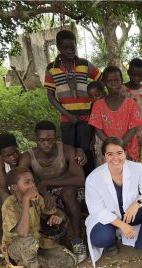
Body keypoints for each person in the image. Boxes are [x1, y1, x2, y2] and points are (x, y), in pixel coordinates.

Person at [85, 137, 142, 266]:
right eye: (110, 154)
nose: (115, 158)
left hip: (129, 214)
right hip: (108, 219)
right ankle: (111, 242)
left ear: (125, 153)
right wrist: (121, 225)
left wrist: (136, 205)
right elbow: (96, 210)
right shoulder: (93, 178)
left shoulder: (137, 168)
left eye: (119, 153)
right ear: (104, 156)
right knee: (101, 238)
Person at [1, 167, 77, 268]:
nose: (32, 185)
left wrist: (59, 216)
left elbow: (55, 211)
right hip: (16, 247)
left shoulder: (37, 199)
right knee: (28, 241)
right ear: (15, 187)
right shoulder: (9, 205)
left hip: (37, 242)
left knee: (69, 261)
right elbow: (23, 234)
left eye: (33, 181)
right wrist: (26, 202)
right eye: (27, 182)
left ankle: (30, 261)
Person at [18, 121, 87, 264]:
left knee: (69, 193)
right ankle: (38, 242)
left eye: (50, 140)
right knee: (34, 201)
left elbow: (80, 180)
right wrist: (42, 191)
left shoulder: (67, 151)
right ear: (35, 138)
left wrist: (46, 183)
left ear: (56, 138)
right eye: (41, 140)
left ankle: (77, 241)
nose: (46, 144)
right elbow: (20, 182)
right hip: (41, 192)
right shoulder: (27, 157)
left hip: (65, 189)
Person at [44, 29, 100, 175]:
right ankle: (75, 181)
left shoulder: (84, 64)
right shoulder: (52, 68)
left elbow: (101, 79)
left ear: (76, 45)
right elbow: (50, 96)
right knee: (69, 150)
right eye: (65, 48)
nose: (69, 51)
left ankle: (90, 180)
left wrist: (95, 103)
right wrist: (68, 115)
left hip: (86, 116)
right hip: (66, 118)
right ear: (58, 47)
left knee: (86, 149)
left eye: (72, 47)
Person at [89, 66, 142, 162]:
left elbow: (133, 128)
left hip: (127, 147)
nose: (113, 83)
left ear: (122, 81)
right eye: (109, 81)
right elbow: (98, 130)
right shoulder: (98, 105)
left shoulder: (131, 103)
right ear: (104, 83)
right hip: (107, 148)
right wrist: (111, 146)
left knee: (128, 174)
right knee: (109, 174)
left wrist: (120, 145)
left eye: (117, 80)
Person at [0, 133, 20, 257]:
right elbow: (3, 187)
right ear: (0, 155)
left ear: (18, 148)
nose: (13, 158)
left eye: (14, 153)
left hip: (27, 192)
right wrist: (8, 202)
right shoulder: (0, 163)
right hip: (11, 192)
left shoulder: (24, 158)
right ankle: (1, 243)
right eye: (7, 156)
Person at [120, 58, 142, 138]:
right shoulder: (121, 89)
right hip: (125, 126)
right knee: (128, 147)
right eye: (133, 74)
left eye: (139, 75)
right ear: (128, 73)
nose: (136, 78)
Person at [87, 81, 106, 166]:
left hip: (110, 133)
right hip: (98, 137)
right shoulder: (93, 106)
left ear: (104, 93)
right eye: (91, 97)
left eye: (97, 95)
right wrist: (93, 139)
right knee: (100, 155)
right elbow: (93, 125)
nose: (94, 98)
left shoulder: (108, 103)